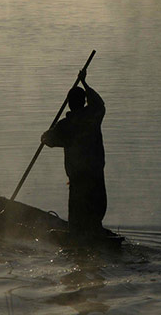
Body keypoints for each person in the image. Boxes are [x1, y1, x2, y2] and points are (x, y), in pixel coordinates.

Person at [41, 68, 107, 236]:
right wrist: (84, 82)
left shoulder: (65, 126)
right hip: (96, 175)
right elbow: (99, 103)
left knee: (77, 221)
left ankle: (79, 240)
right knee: (95, 215)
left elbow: (47, 139)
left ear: (69, 104)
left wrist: (46, 134)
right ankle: (96, 235)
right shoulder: (93, 116)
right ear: (84, 102)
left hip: (78, 180)